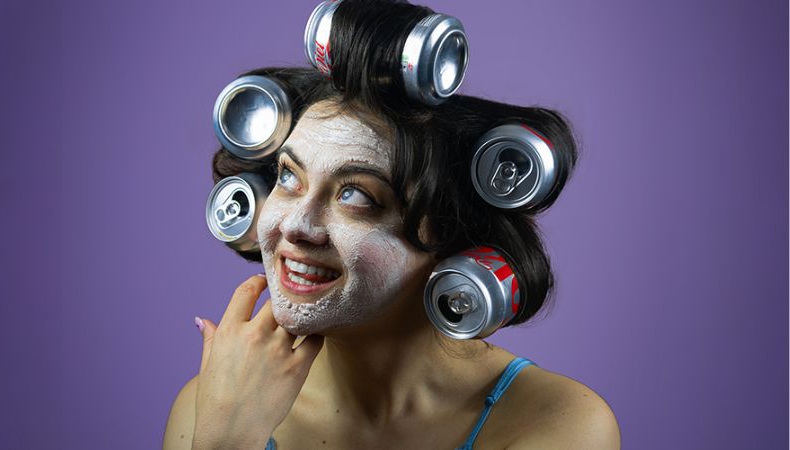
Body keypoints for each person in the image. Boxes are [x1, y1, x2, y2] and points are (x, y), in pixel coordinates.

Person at [163, 2, 620, 447]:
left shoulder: (559, 424)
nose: (298, 226)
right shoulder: (211, 408)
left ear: (443, 234)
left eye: (354, 196)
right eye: (288, 177)